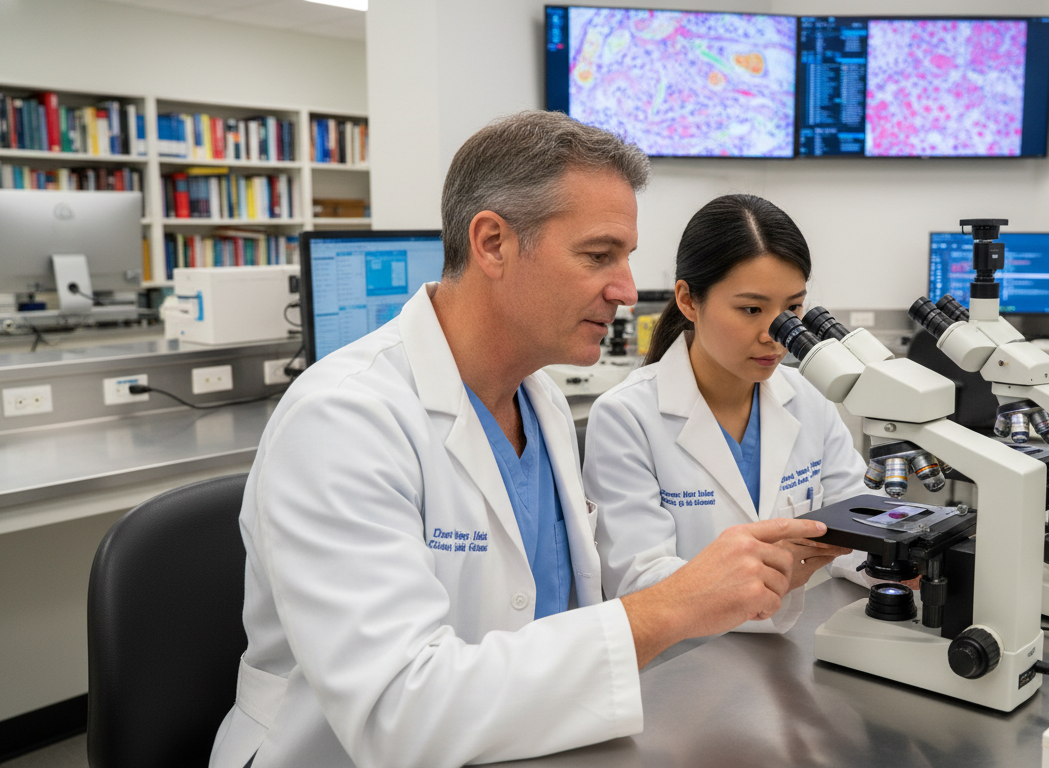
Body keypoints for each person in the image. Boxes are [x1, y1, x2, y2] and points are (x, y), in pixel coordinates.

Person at [207, 112, 829, 768]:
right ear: (493, 243)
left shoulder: (541, 402)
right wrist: (671, 606)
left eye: (626, 258)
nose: (625, 289)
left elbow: (555, 625)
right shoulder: (342, 419)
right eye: (599, 255)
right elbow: (400, 715)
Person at [584, 194, 871, 634]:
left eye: (792, 310)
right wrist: (764, 574)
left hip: (789, 651)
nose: (775, 335)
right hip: (686, 659)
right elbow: (638, 582)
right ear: (688, 300)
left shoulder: (809, 398)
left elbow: (857, 524)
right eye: (751, 309)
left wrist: (898, 562)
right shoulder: (627, 417)